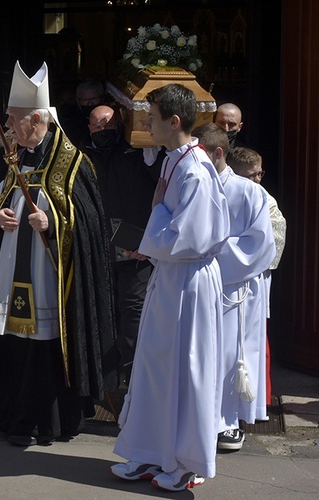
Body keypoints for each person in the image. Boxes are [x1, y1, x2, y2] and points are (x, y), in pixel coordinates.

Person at [0, 61, 116, 447]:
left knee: (45, 348)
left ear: (37, 119)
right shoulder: (15, 157)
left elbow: (90, 224)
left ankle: (51, 421)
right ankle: (17, 419)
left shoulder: (73, 164)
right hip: (14, 274)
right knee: (16, 346)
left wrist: (54, 224)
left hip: (51, 282)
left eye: (13, 117)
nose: (8, 124)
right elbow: (0, 200)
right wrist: (1, 217)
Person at [110, 84, 230, 492]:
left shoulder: (195, 168)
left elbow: (191, 238)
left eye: (151, 115)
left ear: (173, 121)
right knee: (155, 366)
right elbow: (168, 229)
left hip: (190, 283)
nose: (145, 121)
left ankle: (183, 461)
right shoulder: (172, 160)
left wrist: (156, 217)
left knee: (185, 370)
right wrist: (153, 236)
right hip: (171, 278)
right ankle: (148, 451)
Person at [193, 124, 275, 452]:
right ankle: (198, 419)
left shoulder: (250, 192)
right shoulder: (193, 186)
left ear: (218, 154)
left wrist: (207, 252)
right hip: (198, 284)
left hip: (234, 289)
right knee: (199, 354)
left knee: (230, 356)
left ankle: (227, 423)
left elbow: (259, 244)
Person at [84, 105, 159, 388]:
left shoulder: (139, 153)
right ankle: (105, 382)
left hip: (137, 252)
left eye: (109, 123)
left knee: (133, 315)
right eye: (98, 125)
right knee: (104, 314)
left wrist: (149, 241)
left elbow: (158, 196)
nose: (104, 129)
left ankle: (133, 378)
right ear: (89, 128)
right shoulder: (83, 157)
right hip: (99, 253)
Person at [228, 146, 286, 407]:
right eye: (251, 176)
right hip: (226, 279)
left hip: (254, 279)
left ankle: (255, 399)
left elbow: (273, 240)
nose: (257, 180)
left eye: (260, 174)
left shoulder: (266, 200)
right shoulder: (223, 193)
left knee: (254, 340)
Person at [62, 79, 106, 152]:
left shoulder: (111, 122)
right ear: (78, 101)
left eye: (94, 99)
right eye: (85, 100)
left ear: (102, 98)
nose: (90, 104)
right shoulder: (71, 125)